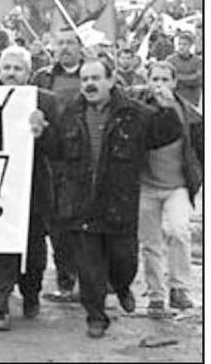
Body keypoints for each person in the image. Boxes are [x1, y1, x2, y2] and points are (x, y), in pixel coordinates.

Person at [48, 58, 181, 338]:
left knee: (124, 261)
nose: (90, 84)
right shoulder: (70, 113)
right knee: (89, 268)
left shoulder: (134, 113)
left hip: (119, 204)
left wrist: (168, 108)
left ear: (110, 80)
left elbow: (166, 134)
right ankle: (95, 316)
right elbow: (56, 149)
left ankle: (121, 286)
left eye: (96, 78)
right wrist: (41, 133)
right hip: (81, 204)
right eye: (85, 79)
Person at [0, 46, 58, 331]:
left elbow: (60, 147)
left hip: (32, 188)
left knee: (33, 251)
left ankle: (31, 293)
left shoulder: (45, 101)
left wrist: (43, 132)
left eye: (17, 68)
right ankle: (0, 304)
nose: (11, 73)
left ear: (28, 73)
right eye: (6, 68)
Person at [133, 61, 203, 317]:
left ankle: (179, 288)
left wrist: (197, 176)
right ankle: (156, 295)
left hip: (177, 185)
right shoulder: (139, 109)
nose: (160, 84)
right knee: (150, 243)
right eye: (155, 79)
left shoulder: (190, 113)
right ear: (148, 81)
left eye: (165, 79)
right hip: (146, 185)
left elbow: (200, 147)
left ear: (174, 83)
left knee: (179, 231)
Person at [32, 27, 83, 304]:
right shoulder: (42, 77)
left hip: (83, 159)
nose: (65, 47)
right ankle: (66, 281)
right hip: (53, 160)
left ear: (79, 47)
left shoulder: (93, 73)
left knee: (83, 224)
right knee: (57, 226)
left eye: (70, 42)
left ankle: (92, 281)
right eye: (60, 43)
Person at [166, 32, 202, 107]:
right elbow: (168, 78)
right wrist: (191, 77)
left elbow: (199, 80)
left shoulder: (198, 61)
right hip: (174, 99)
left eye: (185, 44)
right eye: (179, 44)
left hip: (191, 99)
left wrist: (178, 78)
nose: (181, 47)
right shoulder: (170, 60)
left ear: (190, 45)